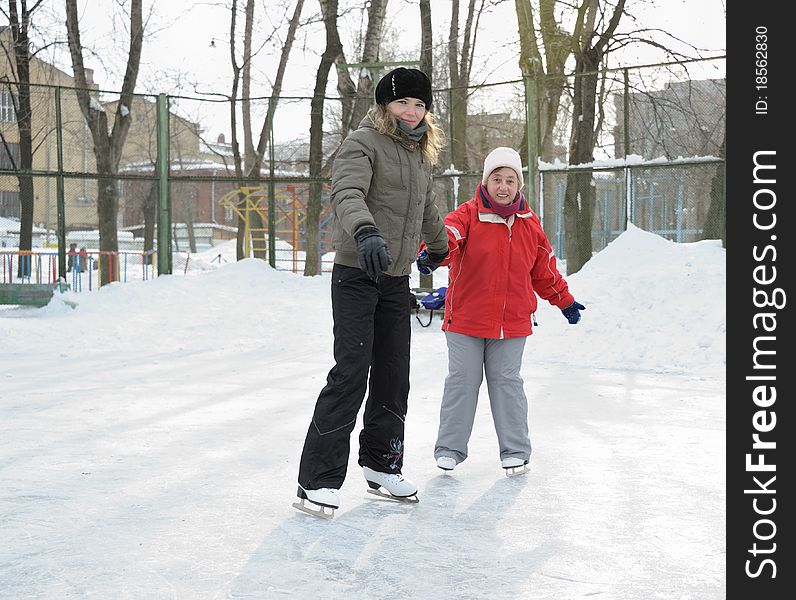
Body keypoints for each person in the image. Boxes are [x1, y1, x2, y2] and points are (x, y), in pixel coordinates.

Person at [294, 67, 450, 518]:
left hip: (396, 278)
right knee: (351, 372)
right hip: (357, 272)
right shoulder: (361, 143)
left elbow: (426, 206)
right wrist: (365, 233)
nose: (411, 111)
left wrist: (440, 247)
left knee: (393, 374)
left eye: (420, 105)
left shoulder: (420, 155)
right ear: (385, 105)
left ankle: (383, 464)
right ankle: (317, 480)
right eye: (403, 103)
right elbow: (346, 192)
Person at [418, 147, 585, 476]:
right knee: (463, 381)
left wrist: (564, 300)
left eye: (510, 180)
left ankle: (515, 451)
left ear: (519, 186)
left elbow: (544, 271)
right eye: (497, 179)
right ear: (486, 181)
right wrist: (432, 253)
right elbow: (447, 236)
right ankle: (450, 449)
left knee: (506, 383)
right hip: (466, 319)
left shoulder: (529, 224)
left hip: (512, 323)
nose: (503, 186)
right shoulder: (467, 215)